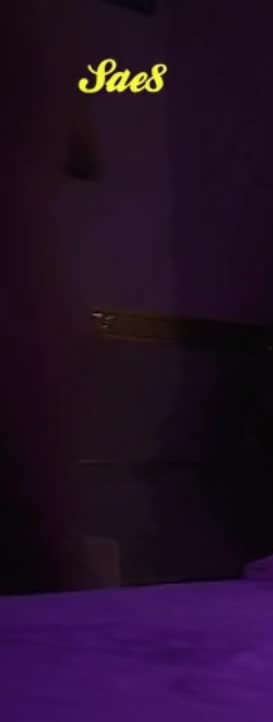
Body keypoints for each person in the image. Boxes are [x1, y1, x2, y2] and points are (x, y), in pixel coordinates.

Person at [0, 1, 95, 594]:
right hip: (34, 290)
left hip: (30, 288)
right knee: (46, 551)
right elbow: (86, 153)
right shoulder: (52, 21)